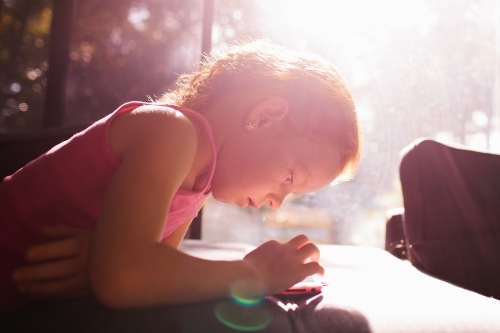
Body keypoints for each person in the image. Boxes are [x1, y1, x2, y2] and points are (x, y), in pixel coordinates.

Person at [0, 40, 360, 313]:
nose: (277, 202)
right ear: (265, 116)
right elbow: (124, 277)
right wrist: (254, 274)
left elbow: (151, 275)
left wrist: (105, 264)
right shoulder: (171, 131)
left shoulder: (196, 184)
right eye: (289, 178)